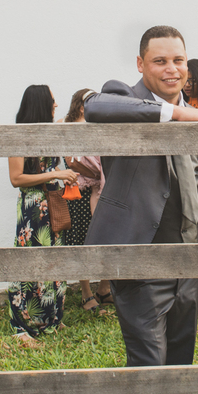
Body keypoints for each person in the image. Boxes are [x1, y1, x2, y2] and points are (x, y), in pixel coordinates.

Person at [84, 25, 198, 394]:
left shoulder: (196, 114)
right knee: (150, 373)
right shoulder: (123, 97)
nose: (172, 69)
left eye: (179, 60)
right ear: (140, 64)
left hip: (187, 265)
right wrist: (173, 114)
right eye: (160, 60)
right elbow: (96, 108)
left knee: (178, 376)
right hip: (140, 265)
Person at [7, 84, 76, 346]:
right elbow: (16, 178)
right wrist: (56, 173)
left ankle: (50, 320)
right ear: (39, 104)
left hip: (52, 203)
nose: (56, 105)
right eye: (52, 101)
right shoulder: (18, 136)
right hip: (33, 208)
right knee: (29, 263)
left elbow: (73, 120)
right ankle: (22, 327)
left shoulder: (48, 132)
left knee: (54, 261)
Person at [62, 87, 113, 311]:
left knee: (107, 239)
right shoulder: (67, 127)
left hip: (101, 190)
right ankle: (86, 293)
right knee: (81, 240)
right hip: (79, 193)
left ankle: (104, 289)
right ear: (81, 106)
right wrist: (94, 174)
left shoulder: (100, 127)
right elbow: (71, 161)